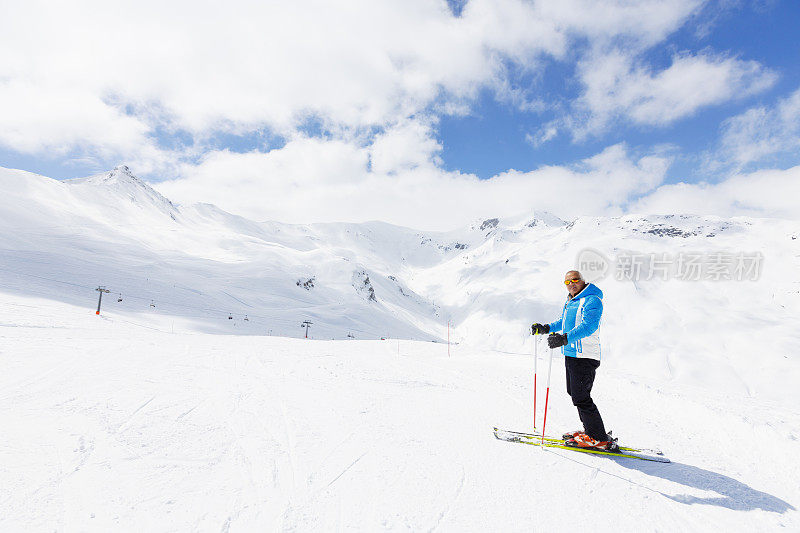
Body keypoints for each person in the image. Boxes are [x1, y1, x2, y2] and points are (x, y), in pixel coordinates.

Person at [531, 270, 616, 451]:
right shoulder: (572, 300)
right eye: (568, 282)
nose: (571, 284)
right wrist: (546, 328)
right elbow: (564, 322)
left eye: (575, 280)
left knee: (581, 397)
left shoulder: (592, 299)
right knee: (575, 394)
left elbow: (589, 326)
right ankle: (591, 431)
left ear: (583, 281)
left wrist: (564, 339)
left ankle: (598, 437)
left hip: (585, 356)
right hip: (571, 354)